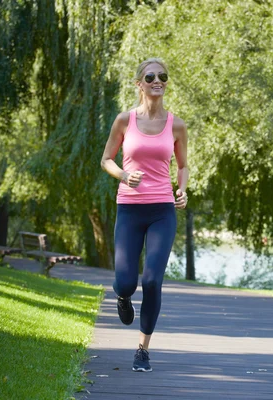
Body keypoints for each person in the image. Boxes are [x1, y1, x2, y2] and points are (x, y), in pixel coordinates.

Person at [100, 58, 188, 372]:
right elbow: (106, 159)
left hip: (162, 210)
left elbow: (182, 165)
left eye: (162, 75)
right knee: (126, 282)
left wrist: (183, 188)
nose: (157, 80)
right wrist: (123, 175)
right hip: (129, 208)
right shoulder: (124, 121)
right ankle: (122, 298)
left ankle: (142, 349)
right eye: (150, 76)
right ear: (139, 83)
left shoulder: (176, 124)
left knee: (152, 280)